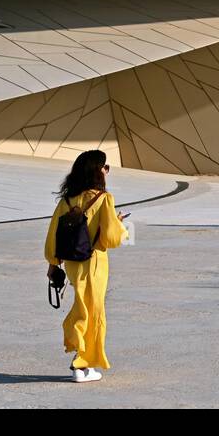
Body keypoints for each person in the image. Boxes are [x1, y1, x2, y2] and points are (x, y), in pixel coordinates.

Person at [44, 150, 130, 383]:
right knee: (93, 310)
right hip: (94, 262)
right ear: (97, 171)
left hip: (72, 262)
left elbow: (53, 234)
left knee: (84, 304)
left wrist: (53, 264)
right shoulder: (103, 199)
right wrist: (120, 225)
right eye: (105, 167)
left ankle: (82, 358)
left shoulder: (67, 200)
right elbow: (111, 239)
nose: (107, 171)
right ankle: (80, 362)